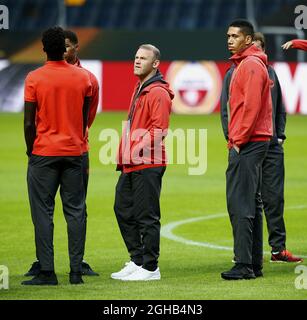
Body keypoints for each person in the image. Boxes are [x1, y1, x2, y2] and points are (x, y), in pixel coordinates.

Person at [221, 32, 303, 263]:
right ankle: (246, 254)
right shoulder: (233, 73)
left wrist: (280, 136)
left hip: (271, 144)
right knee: (247, 199)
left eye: (258, 49)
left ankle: (277, 249)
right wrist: (234, 140)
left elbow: (280, 107)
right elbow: (226, 110)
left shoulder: (271, 72)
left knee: (274, 198)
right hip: (247, 144)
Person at [24, 29, 100, 278]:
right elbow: (84, 118)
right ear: (64, 49)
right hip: (75, 151)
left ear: (44, 48)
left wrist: (31, 150)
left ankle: (47, 271)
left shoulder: (34, 78)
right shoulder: (84, 78)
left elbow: (28, 123)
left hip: (44, 152)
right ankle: (76, 271)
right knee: (76, 210)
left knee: (43, 211)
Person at [111, 44, 174, 281]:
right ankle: (138, 260)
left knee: (146, 215)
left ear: (155, 64)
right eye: (136, 57)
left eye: (143, 58)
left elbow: (160, 130)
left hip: (147, 162)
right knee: (123, 209)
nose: (137, 61)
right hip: (133, 162)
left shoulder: (156, 92)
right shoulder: (141, 88)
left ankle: (150, 268)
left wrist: (134, 150)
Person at [220, 20, 273, 280]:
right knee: (252, 202)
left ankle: (243, 264)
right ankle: (253, 264)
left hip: (249, 142)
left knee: (240, 203)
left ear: (248, 40)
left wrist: (237, 140)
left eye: (235, 36)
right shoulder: (250, 64)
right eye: (228, 36)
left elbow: (250, 107)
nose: (229, 40)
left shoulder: (250, 66)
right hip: (256, 140)